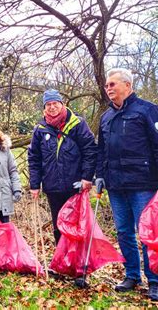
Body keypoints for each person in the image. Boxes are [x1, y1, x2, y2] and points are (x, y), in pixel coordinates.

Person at [96, 68, 158, 301]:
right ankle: (132, 274)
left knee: (147, 234)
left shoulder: (148, 111)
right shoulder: (106, 117)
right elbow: (101, 150)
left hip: (142, 183)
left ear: (128, 86)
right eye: (106, 85)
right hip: (115, 185)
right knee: (124, 232)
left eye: (113, 84)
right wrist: (99, 175)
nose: (108, 88)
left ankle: (155, 281)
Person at [28, 89, 97, 245]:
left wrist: (87, 177)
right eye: (48, 104)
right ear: (44, 108)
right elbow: (34, 158)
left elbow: (90, 150)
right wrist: (34, 184)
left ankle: (77, 262)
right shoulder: (40, 129)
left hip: (75, 185)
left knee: (75, 225)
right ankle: (61, 261)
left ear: (62, 104)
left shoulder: (77, 124)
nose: (52, 107)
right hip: (52, 187)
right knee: (58, 225)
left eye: (55, 103)